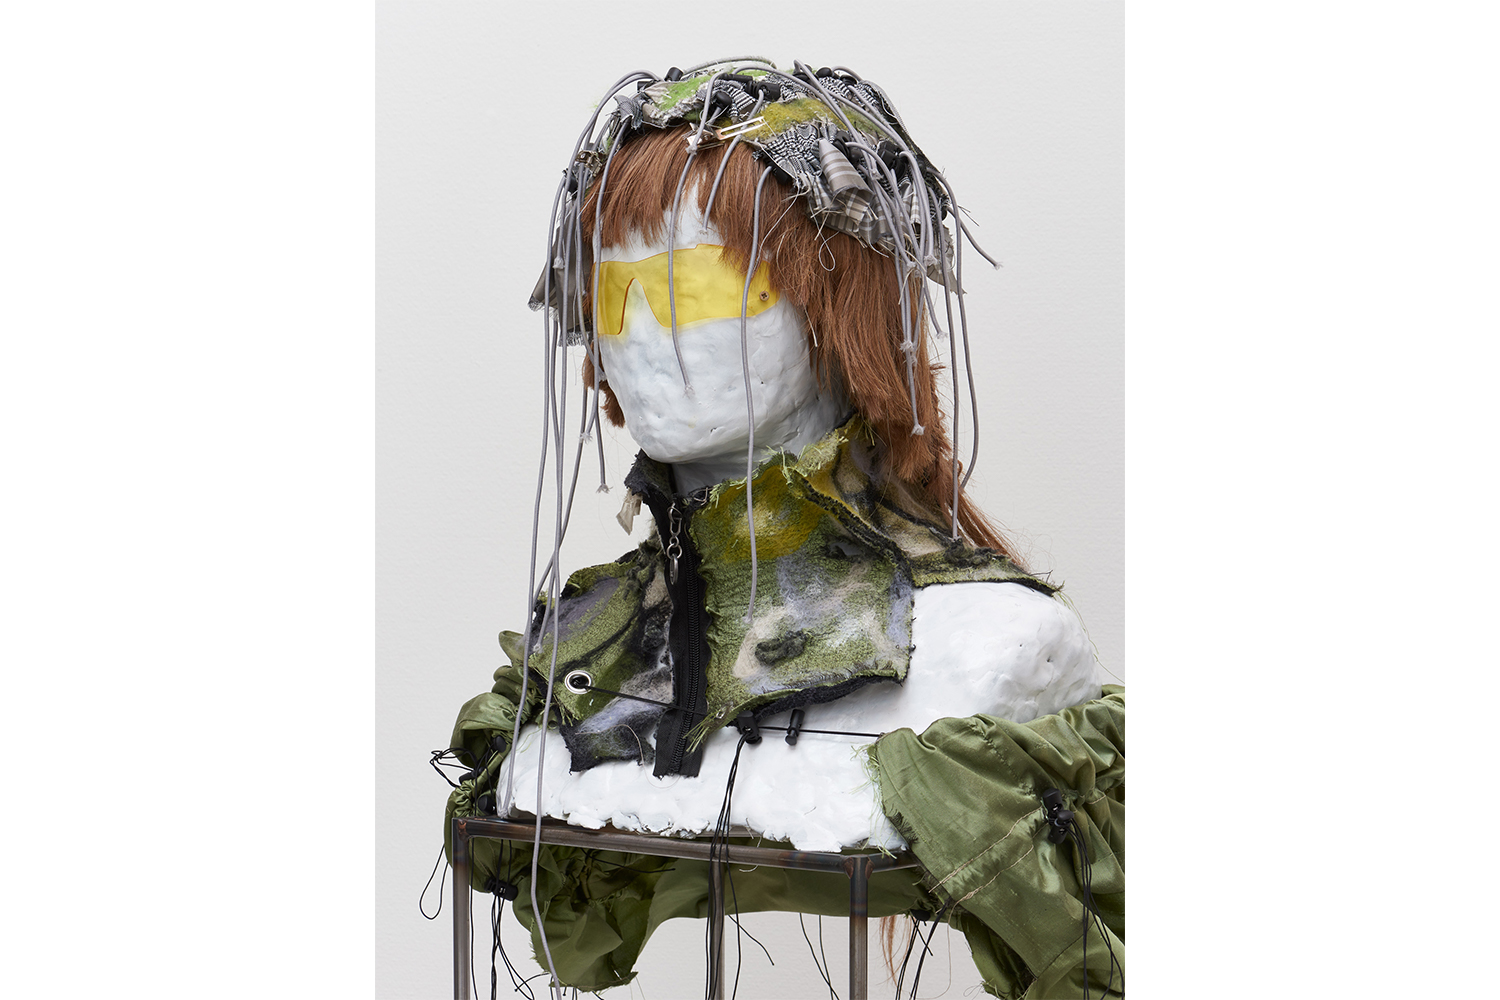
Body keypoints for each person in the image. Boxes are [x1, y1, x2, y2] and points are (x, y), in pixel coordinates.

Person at [443, 60, 1123, 998]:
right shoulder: (578, 653)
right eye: (610, 295)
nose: (641, 337)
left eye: (692, 286)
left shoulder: (984, 644)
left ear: (838, 297)